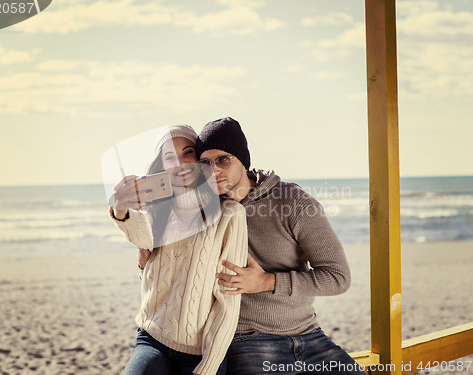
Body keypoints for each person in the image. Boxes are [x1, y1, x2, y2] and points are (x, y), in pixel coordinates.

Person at [194, 117, 368, 375]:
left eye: (223, 159)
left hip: (310, 335)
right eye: (205, 163)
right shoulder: (203, 212)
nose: (214, 170)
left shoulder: (293, 202)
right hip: (248, 339)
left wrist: (266, 281)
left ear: (243, 160)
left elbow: (338, 278)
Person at [109, 125, 248, 375]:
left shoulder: (230, 215)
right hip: (152, 338)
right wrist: (121, 208)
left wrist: (208, 365)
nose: (181, 163)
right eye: (170, 157)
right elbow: (138, 232)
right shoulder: (158, 209)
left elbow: (228, 301)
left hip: (200, 352)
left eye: (188, 153)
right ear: (163, 166)